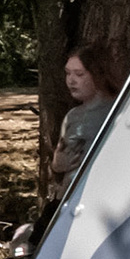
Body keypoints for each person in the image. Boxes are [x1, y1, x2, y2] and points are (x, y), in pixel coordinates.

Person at [49, 44, 117, 194]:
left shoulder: (119, 109)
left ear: (98, 75)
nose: (71, 81)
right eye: (68, 73)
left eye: (79, 74)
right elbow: (58, 160)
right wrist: (59, 165)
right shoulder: (73, 116)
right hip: (70, 196)